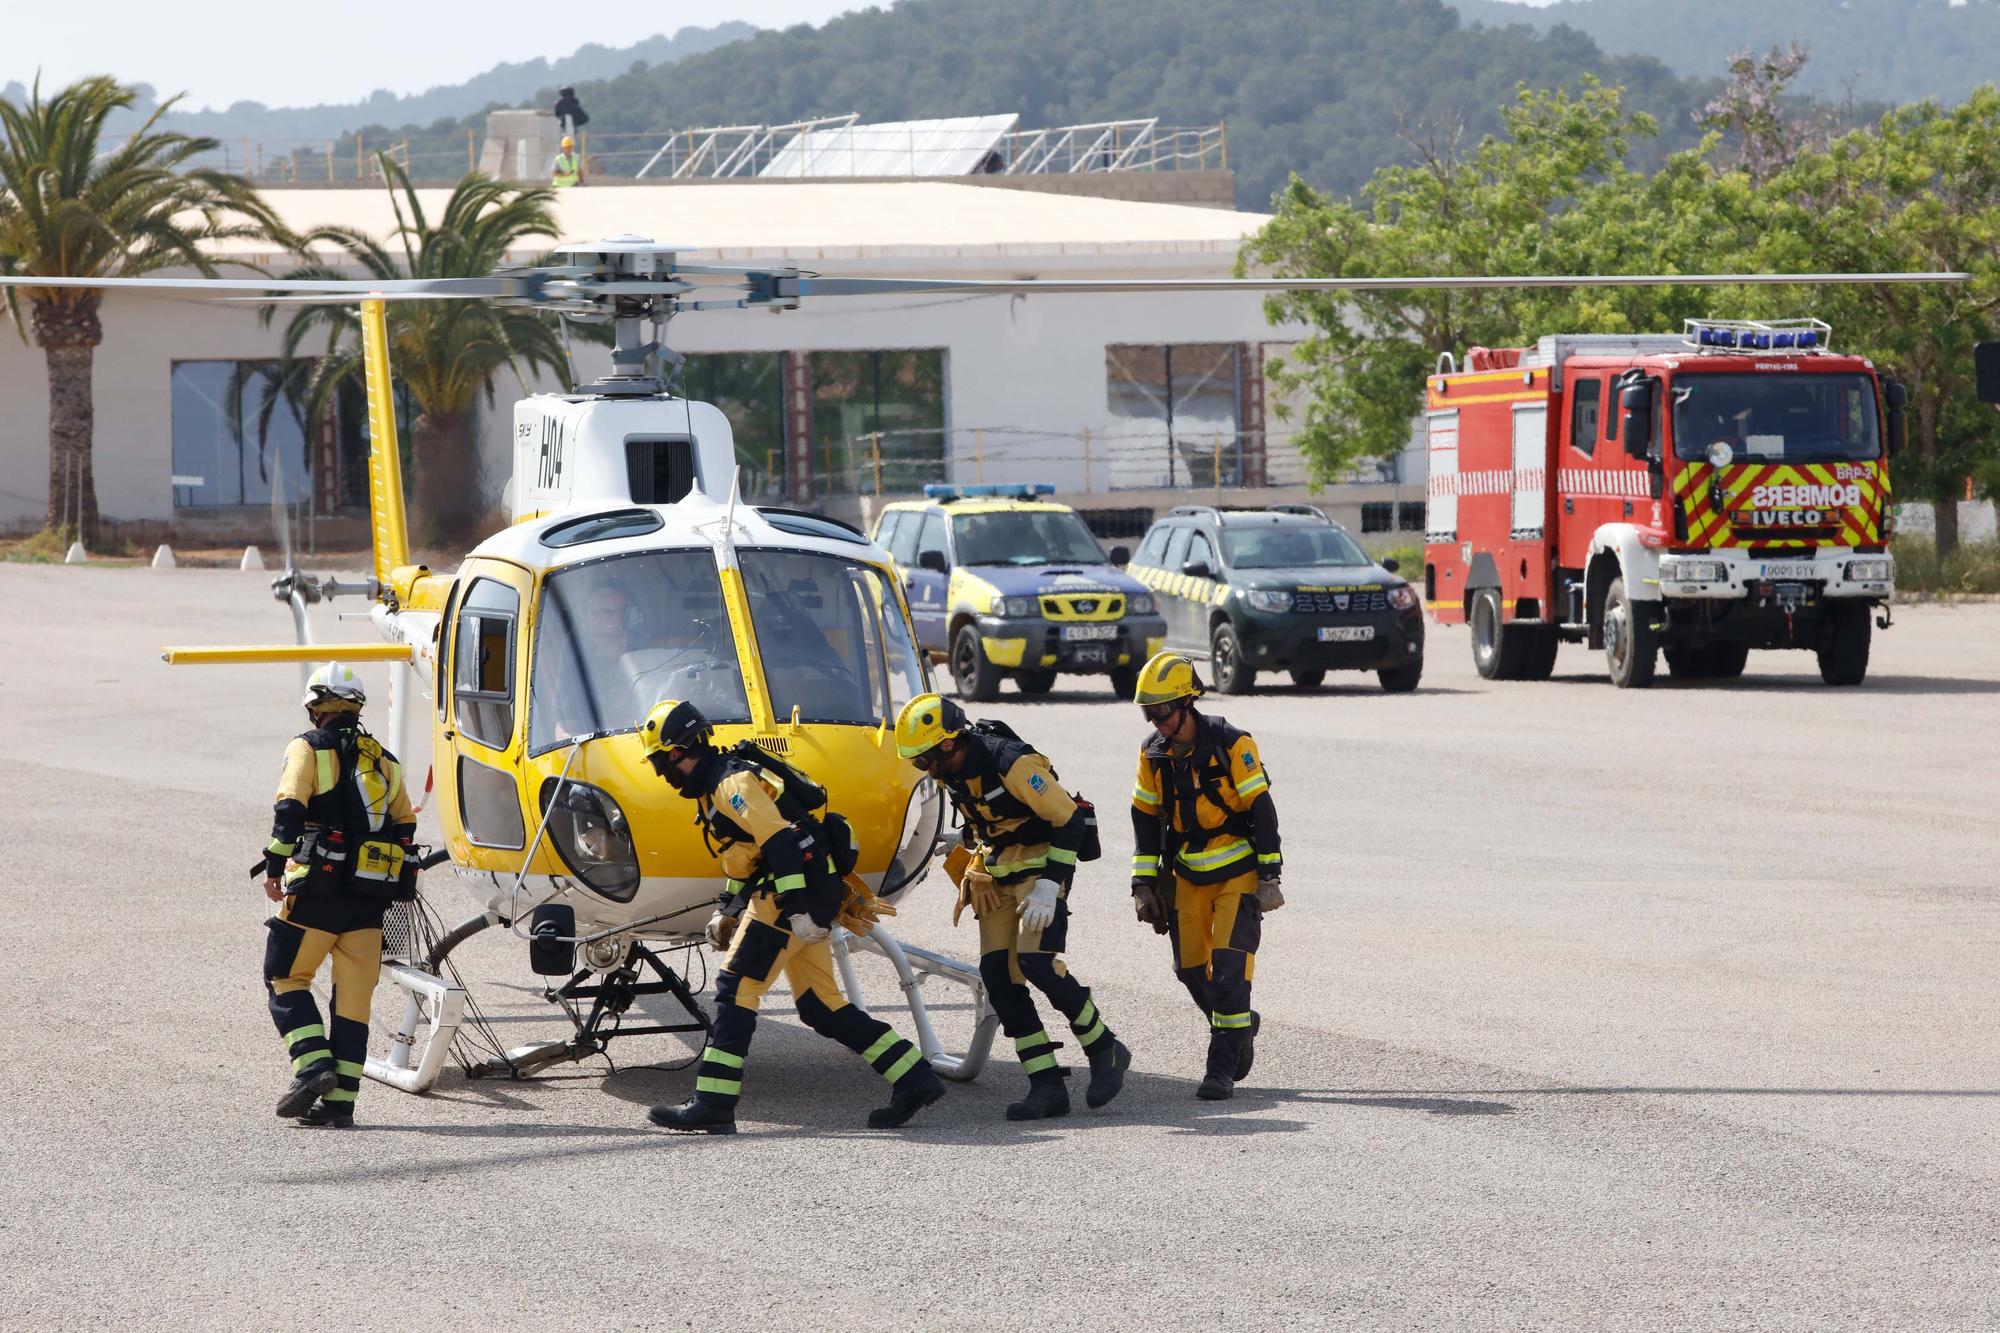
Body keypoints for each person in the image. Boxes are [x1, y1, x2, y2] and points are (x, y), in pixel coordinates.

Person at [639, 699, 947, 1134]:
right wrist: (727, 910)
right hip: (805, 893)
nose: (662, 776)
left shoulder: (731, 784)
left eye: (659, 764)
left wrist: (798, 911)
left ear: (675, 753)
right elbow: (749, 854)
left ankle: (713, 1104)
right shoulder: (717, 784)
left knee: (734, 989)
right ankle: (915, 1078)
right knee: (822, 1007)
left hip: (788, 899)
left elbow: (782, 843)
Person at [894, 693, 1128, 1121]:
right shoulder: (950, 771)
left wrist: (1048, 885)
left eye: (922, 759)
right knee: (997, 975)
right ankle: (1046, 1085)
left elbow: (1069, 819)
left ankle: (1104, 1048)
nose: (921, 769)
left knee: (1036, 962)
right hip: (998, 871)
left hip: (1042, 868)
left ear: (948, 745)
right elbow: (990, 820)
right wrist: (964, 846)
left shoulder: (1013, 764)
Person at [260, 663, 416, 1128]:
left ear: (314, 708)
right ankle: (341, 1105)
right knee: (353, 1003)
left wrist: (273, 865)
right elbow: (405, 824)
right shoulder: (384, 759)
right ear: (357, 707)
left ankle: (312, 1065)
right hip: (369, 901)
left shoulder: (306, 747)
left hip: (317, 893)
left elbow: (289, 808)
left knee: (285, 976)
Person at [1128, 651, 1282, 1101]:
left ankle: (1220, 1069)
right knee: (1190, 970)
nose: (1155, 722)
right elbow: (1144, 818)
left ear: (1186, 703)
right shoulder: (1152, 754)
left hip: (1239, 875)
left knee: (1231, 973)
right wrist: (1142, 883)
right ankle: (1239, 1029)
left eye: (1161, 712)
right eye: (1148, 713)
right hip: (1187, 876)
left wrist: (1270, 875)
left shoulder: (1233, 743)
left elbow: (1262, 809)